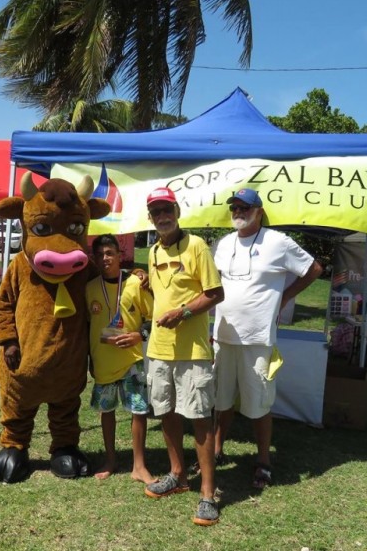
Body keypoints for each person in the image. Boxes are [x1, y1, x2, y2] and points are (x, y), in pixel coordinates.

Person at [212, 188, 323, 488]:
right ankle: (217, 449)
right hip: (222, 336)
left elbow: (314, 269)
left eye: (245, 207)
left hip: (258, 339)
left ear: (259, 211)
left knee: (259, 404)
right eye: (234, 206)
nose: (238, 211)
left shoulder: (278, 242)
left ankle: (263, 460)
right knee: (220, 401)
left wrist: (285, 297)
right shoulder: (221, 244)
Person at [144, 187, 224, 527]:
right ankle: (177, 475)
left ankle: (208, 494)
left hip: (192, 352)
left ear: (177, 211)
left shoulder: (197, 246)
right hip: (159, 350)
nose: (162, 216)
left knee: (200, 420)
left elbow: (215, 293)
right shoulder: (152, 250)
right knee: (166, 414)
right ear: (151, 217)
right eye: (156, 211)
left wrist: (183, 313)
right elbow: (165, 289)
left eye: (167, 210)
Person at [86, 234, 155, 483]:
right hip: (103, 362)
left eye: (110, 253)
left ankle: (139, 466)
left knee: (138, 410)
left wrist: (139, 335)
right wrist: (89, 359)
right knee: (107, 412)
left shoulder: (136, 284)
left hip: (131, 360)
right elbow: (85, 325)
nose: (105, 258)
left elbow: (153, 318)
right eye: (100, 254)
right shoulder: (90, 288)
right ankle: (111, 460)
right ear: (94, 259)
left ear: (119, 255)